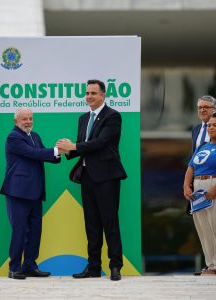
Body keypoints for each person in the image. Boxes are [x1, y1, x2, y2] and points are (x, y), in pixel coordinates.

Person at [56, 79, 127, 281]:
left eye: (93, 93)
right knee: (91, 223)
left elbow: (101, 143)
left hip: (107, 177)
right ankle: (94, 267)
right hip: (87, 176)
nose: (89, 97)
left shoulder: (113, 116)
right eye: (87, 93)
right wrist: (62, 151)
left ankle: (115, 266)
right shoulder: (83, 118)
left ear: (103, 95)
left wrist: (74, 147)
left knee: (109, 222)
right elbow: (82, 145)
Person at [0, 107, 61, 280]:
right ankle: (14, 268)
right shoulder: (13, 137)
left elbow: (43, 155)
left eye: (30, 118)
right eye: (24, 119)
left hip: (35, 192)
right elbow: (33, 154)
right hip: (18, 193)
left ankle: (30, 266)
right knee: (19, 230)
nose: (28, 122)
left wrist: (59, 153)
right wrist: (56, 151)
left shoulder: (35, 136)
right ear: (16, 121)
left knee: (35, 231)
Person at [183, 111, 216, 275]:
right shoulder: (202, 146)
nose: (211, 128)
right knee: (204, 228)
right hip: (198, 188)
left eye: (215, 125)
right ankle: (210, 264)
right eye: (210, 125)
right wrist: (186, 186)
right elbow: (191, 167)